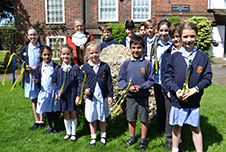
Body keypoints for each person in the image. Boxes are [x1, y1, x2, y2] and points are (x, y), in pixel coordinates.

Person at [164, 22, 212, 152]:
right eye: (185, 37)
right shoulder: (175, 56)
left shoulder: (203, 56)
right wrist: (176, 90)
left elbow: (207, 78)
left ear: (196, 36)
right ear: (180, 37)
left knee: (195, 127)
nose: (188, 40)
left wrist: (194, 90)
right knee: (177, 126)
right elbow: (167, 77)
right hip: (177, 100)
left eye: (192, 36)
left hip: (193, 99)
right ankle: (175, 149)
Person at [118, 35, 155, 151]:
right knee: (131, 118)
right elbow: (121, 79)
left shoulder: (147, 64)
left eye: (139, 47)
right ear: (130, 49)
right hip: (130, 97)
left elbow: (151, 79)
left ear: (143, 49)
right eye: (133, 47)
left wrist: (142, 86)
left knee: (144, 118)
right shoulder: (126, 64)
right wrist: (127, 88)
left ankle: (143, 140)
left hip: (143, 96)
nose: (136, 50)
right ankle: (132, 138)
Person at [81, 42, 113, 146]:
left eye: (96, 52)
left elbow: (109, 81)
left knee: (102, 117)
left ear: (100, 52)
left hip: (102, 96)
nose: (94, 55)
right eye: (91, 53)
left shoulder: (105, 66)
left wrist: (110, 95)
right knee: (92, 117)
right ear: (87, 54)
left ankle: (103, 136)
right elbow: (81, 82)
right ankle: (93, 137)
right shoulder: (85, 68)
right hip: (91, 98)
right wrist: (85, 90)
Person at [161, 22, 186, 150]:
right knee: (170, 116)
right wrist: (167, 90)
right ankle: (169, 139)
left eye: (178, 36)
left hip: (184, 92)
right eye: (173, 37)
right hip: (170, 91)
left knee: (183, 116)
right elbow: (163, 73)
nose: (176, 39)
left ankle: (181, 140)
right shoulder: (167, 53)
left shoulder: (188, 53)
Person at [52, 44, 83, 142]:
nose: (66, 56)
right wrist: (57, 91)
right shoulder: (57, 68)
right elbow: (53, 81)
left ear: (71, 55)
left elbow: (80, 82)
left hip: (72, 95)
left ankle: (73, 134)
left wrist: (78, 95)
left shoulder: (75, 68)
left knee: (73, 113)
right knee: (66, 114)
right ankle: (67, 132)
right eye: (64, 54)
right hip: (63, 96)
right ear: (60, 55)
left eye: (68, 54)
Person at [19, 26, 44, 130]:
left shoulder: (42, 48)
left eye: (34, 34)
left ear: (38, 36)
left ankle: (42, 120)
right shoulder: (25, 49)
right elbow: (21, 62)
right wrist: (26, 68)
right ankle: (36, 120)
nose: (32, 36)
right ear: (27, 36)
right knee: (34, 99)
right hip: (30, 78)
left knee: (41, 98)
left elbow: (46, 62)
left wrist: (36, 68)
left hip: (41, 77)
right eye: (30, 35)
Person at [33, 46, 59, 135]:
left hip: (54, 91)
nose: (47, 57)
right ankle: (50, 127)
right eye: (44, 55)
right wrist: (36, 81)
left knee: (55, 109)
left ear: (52, 55)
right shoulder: (39, 67)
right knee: (47, 109)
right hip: (45, 92)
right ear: (41, 55)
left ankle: (56, 126)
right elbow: (37, 78)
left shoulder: (55, 66)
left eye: (48, 54)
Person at [152, 19, 173, 134]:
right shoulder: (155, 45)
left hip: (168, 82)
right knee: (160, 106)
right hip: (157, 81)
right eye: (161, 30)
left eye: (166, 30)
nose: (163, 33)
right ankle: (161, 128)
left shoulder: (173, 46)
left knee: (168, 107)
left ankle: (169, 129)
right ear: (158, 31)